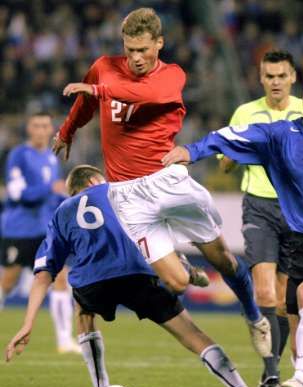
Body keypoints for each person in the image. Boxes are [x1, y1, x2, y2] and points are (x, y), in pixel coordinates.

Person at [52, 7, 271, 357]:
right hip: (127, 193)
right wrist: (68, 130)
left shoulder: (172, 75)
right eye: (130, 49)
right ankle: (184, 268)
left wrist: (99, 90)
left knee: (224, 260)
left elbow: (145, 96)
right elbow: (85, 102)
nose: (136, 57)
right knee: (177, 284)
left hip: (168, 182)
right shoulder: (104, 68)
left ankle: (253, 315)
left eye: (144, 50)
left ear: (159, 43)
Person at [5, 165, 280, 387]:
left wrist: (27, 324)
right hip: (137, 274)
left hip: (93, 282)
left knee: (84, 310)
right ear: (95, 181)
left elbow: (43, 275)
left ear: (75, 190)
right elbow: (154, 234)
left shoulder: (61, 212)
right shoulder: (123, 192)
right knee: (193, 335)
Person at [162, 68, 303, 387]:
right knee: (297, 342)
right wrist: (191, 150)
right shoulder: (281, 135)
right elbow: (228, 136)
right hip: (300, 244)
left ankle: (296, 379)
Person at [218, 51, 303, 387]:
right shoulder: (245, 113)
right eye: (269, 76)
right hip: (259, 207)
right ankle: (271, 374)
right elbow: (224, 164)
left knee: (284, 301)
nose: (276, 82)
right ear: (261, 78)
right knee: (265, 294)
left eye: (281, 75)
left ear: (293, 76)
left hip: (298, 211)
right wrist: (235, 152)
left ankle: (274, 373)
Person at [0, 112, 79, 354]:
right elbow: (16, 193)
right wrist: (50, 187)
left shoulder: (51, 157)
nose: (41, 130)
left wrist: (65, 196)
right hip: (19, 229)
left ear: (50, 129)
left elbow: (50, 194)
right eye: (36, 125)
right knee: (8, 282)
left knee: (61, 277)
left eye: (45, 125)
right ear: (29, 129)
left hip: (45, 229)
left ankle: (65, 340)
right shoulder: (18, 155)